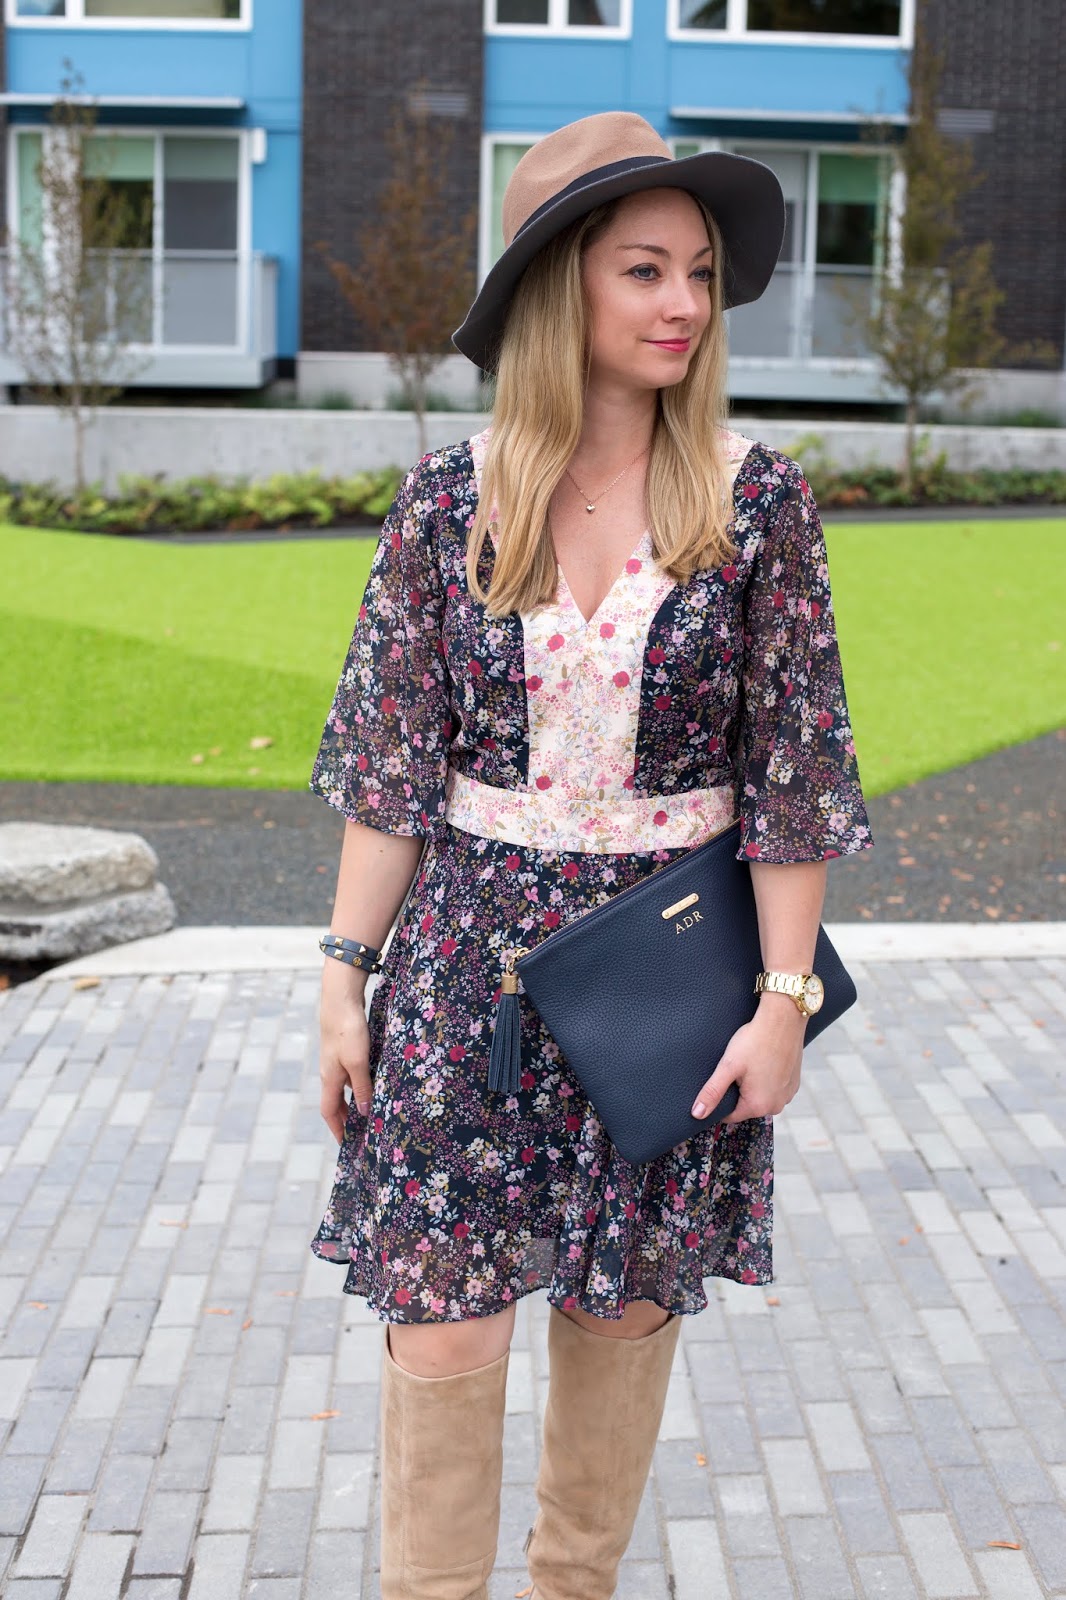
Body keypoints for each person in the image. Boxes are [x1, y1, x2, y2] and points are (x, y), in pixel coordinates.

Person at [308, 111, 873, 1600]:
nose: (684, 301)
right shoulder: (448, 504)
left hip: (664, 978)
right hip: (461, 983)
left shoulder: (755, 503)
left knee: (622, 1316)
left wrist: (781, 1001)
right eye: (643, 270)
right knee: (441, 1323)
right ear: (561, 288)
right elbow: (390, 771)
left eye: (695, 271)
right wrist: (340, 979)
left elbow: (794, 780)